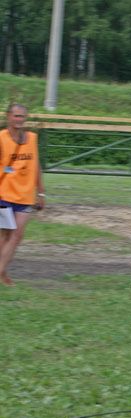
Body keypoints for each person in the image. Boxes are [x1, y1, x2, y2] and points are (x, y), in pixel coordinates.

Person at [0, 103, 45, 286]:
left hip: (25, 195)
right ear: (8, 116)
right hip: (4, 194)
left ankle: (1, 271)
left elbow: (36, 166)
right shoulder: (1, 138)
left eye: (22, 116)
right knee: (4, 234)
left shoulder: (32, 138)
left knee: (17, 235)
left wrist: (41, 192)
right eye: (16, 116)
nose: (19, 120)